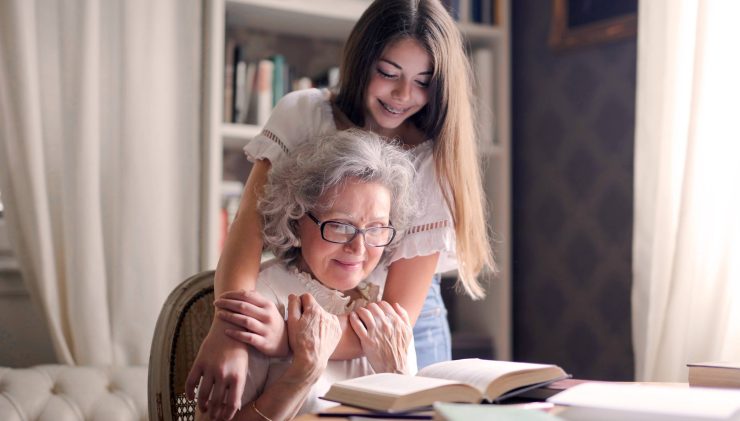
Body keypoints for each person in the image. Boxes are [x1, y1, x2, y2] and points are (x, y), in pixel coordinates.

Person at [187, 0, 495, 419]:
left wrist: (286, 341)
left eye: (423, 81)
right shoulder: (304, 113)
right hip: (303, 300)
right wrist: (231, 329)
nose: (404, 95)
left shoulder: (432, 159)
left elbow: (398, 312)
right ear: (361, 61)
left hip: (395, 321)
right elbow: (247, 227)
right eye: (388, 73)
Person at [196, 130, 418, 420]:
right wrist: (301, 375)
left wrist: (398, 376)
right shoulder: (260, 302)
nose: (359, 247)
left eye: (376, 228)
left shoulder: (386, 314)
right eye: (340, 225)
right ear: (297, 218)